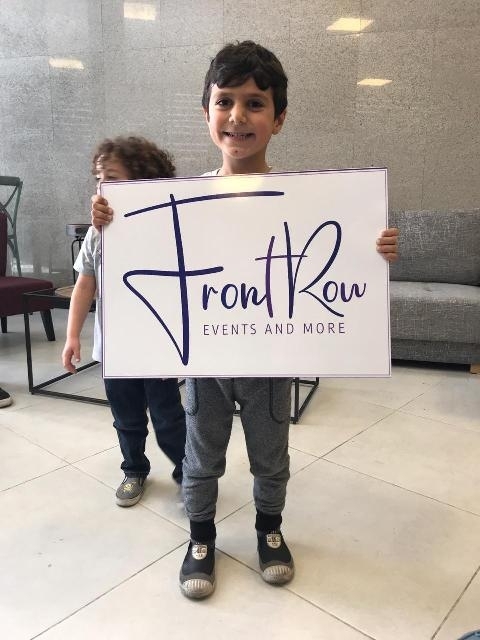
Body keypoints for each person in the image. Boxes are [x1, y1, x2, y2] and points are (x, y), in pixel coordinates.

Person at [91, 42, 399, 598]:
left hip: (270, 362)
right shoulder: (182, 200)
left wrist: (371, 252)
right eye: (225, 101)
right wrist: (114, 224)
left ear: (278, 118)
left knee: (270, 455)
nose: (237, 116)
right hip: (206, 364)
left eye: (255, 103)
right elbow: (149, 263)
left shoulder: (306, 203)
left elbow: (333, 263)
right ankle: (201, 537)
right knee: (200, 456)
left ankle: (269, 530)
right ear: (206, 113)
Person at [62, 136, 186, 508]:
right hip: (115, 349)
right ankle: (133, 469)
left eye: (113, 178)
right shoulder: (97, 235)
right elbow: (85, 284)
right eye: (99, 179)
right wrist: (72, 336)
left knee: (167, 417)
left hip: (158, 347)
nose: (103, 187)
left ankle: (187, 473)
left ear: (143, 181)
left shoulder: (164, 226)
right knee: (126, 417)